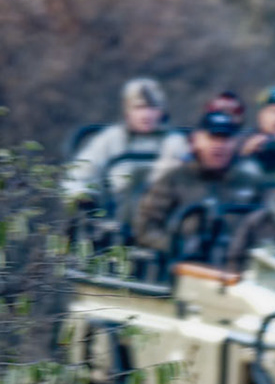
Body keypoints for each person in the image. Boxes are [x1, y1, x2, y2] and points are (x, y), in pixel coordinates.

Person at [133, 109, 264, 258]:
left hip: (236, 262)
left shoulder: (250, 183)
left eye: (225, 139)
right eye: (212, 138)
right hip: (183, 262)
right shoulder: (173, 179)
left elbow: (265, 228)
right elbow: (145, 227)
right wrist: (176, 246)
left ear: (234, 143)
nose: (218, 145)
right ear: (196, 141)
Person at [64, 78, 190, 213]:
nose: (146, 115)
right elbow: (78, 176)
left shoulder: (175, 141)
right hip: (116, 213)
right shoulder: (110, 140)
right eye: (139, 108)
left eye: (152, 108)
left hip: (166, 213)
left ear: (162, 111)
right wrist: (84, 198)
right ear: (127, 111)